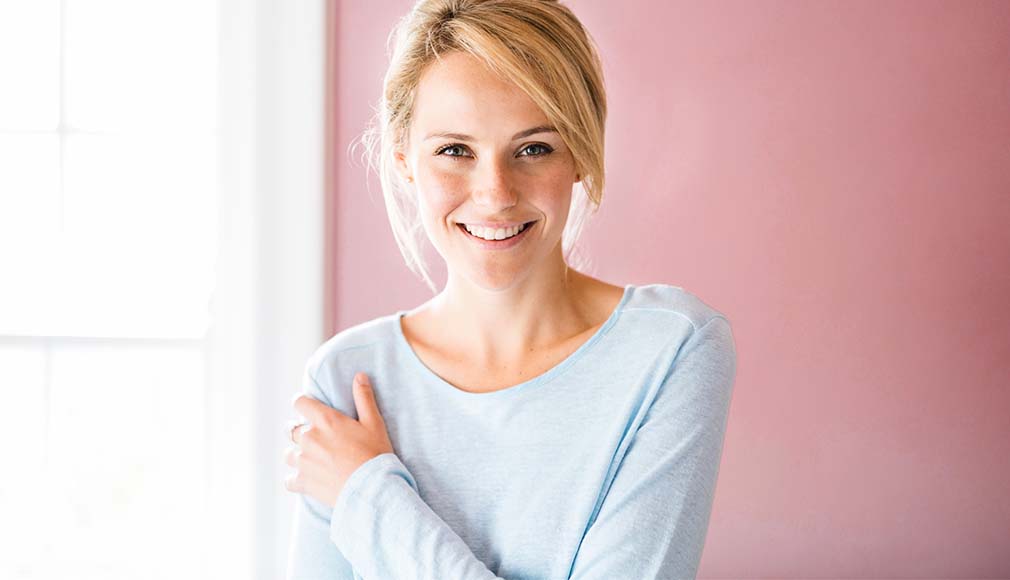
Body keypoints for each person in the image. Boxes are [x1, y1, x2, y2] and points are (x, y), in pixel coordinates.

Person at [283, 1, 737, 578]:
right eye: (455, 150)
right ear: (403, 159)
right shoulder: (346, 377)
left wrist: (368, 496)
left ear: (579, 153)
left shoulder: (672, 348)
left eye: (534, 148)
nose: (495, 193)